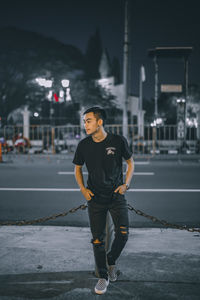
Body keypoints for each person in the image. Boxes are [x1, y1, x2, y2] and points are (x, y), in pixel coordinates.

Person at [73, 106, 134, 295]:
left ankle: (111, 260)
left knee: (123, 234)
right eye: (84, 121)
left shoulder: (117, 141)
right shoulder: (83, 145)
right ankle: (103, 276)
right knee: (98, 239)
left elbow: (130, 163)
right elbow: (77, 168)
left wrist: (126, 184)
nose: (85, 125)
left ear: (100, 122)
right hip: (95, 198)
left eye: (89, 120)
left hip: (116, 195)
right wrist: (83, 189)